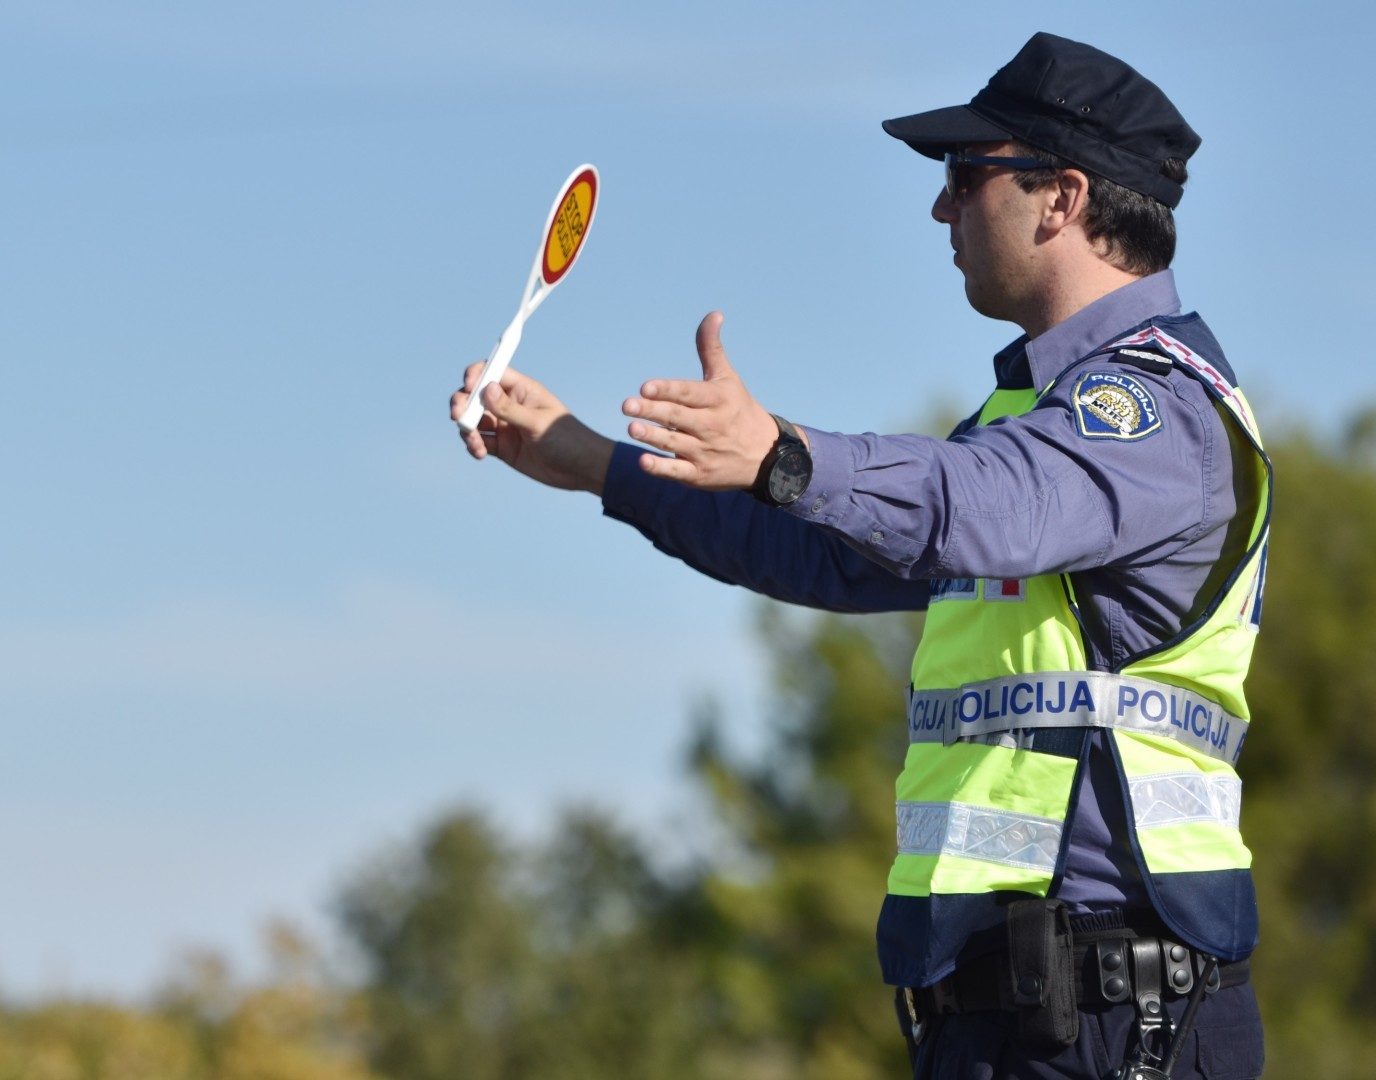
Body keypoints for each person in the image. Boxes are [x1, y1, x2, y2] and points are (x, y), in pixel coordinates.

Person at [449, 32, 1268, 1080]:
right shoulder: (1034, 417)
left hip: (1117, 1022)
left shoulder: (1153, 411)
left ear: (1061, 198)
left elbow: (983, 502)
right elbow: (833, 556)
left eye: (966, 177)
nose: (942, 209)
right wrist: (593, 463)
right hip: (1010, 1018)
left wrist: (786, 453)